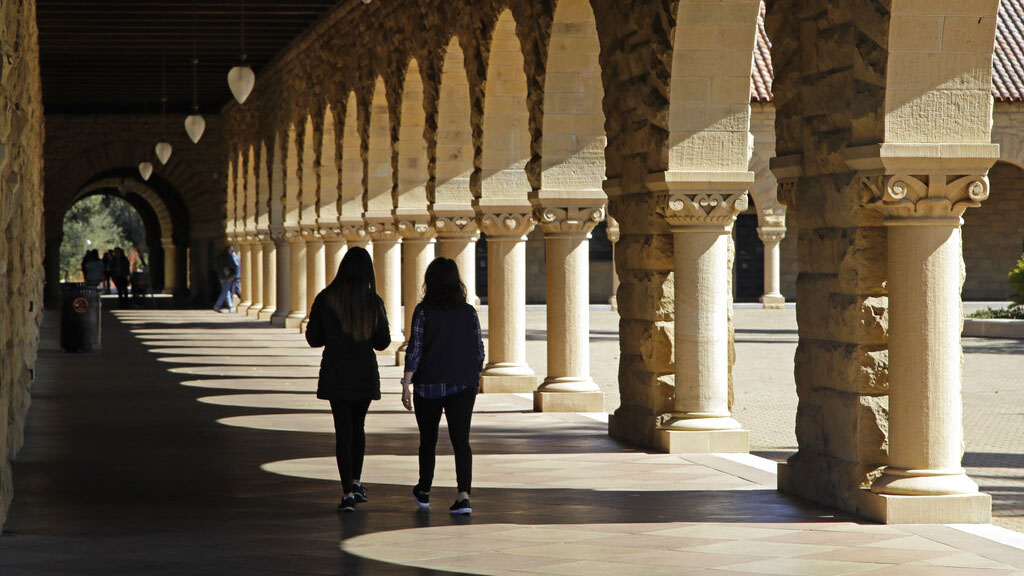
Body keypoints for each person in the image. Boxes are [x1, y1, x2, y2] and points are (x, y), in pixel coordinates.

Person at [305, 247, 391, 512]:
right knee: (359, 427)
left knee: (343, 432)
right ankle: (356, 481)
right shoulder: (372, 301)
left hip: (336, 372)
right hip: (363, 373)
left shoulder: (326, 298)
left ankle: (346, 493)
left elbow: (313, 338)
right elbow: (383, 342)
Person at [401, 257, 485, 515]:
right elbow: (479, 350)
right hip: (462, 384)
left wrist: (406, 383)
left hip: (428, 385)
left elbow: (415, 348)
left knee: (428, 440)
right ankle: (463, 495)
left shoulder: (423, 311)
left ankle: (424, 490)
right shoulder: (469, 312)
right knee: (462, 440)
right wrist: (473, 376)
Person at [213, 245, 239, 313]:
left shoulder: (219, 257)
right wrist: (233, 275)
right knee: (225, 291)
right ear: (230, 250)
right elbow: (233, 266)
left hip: (221, 276)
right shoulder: (228, 257)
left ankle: (230, 306)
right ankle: (217, 305)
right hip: (228, 277)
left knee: (226, 291)